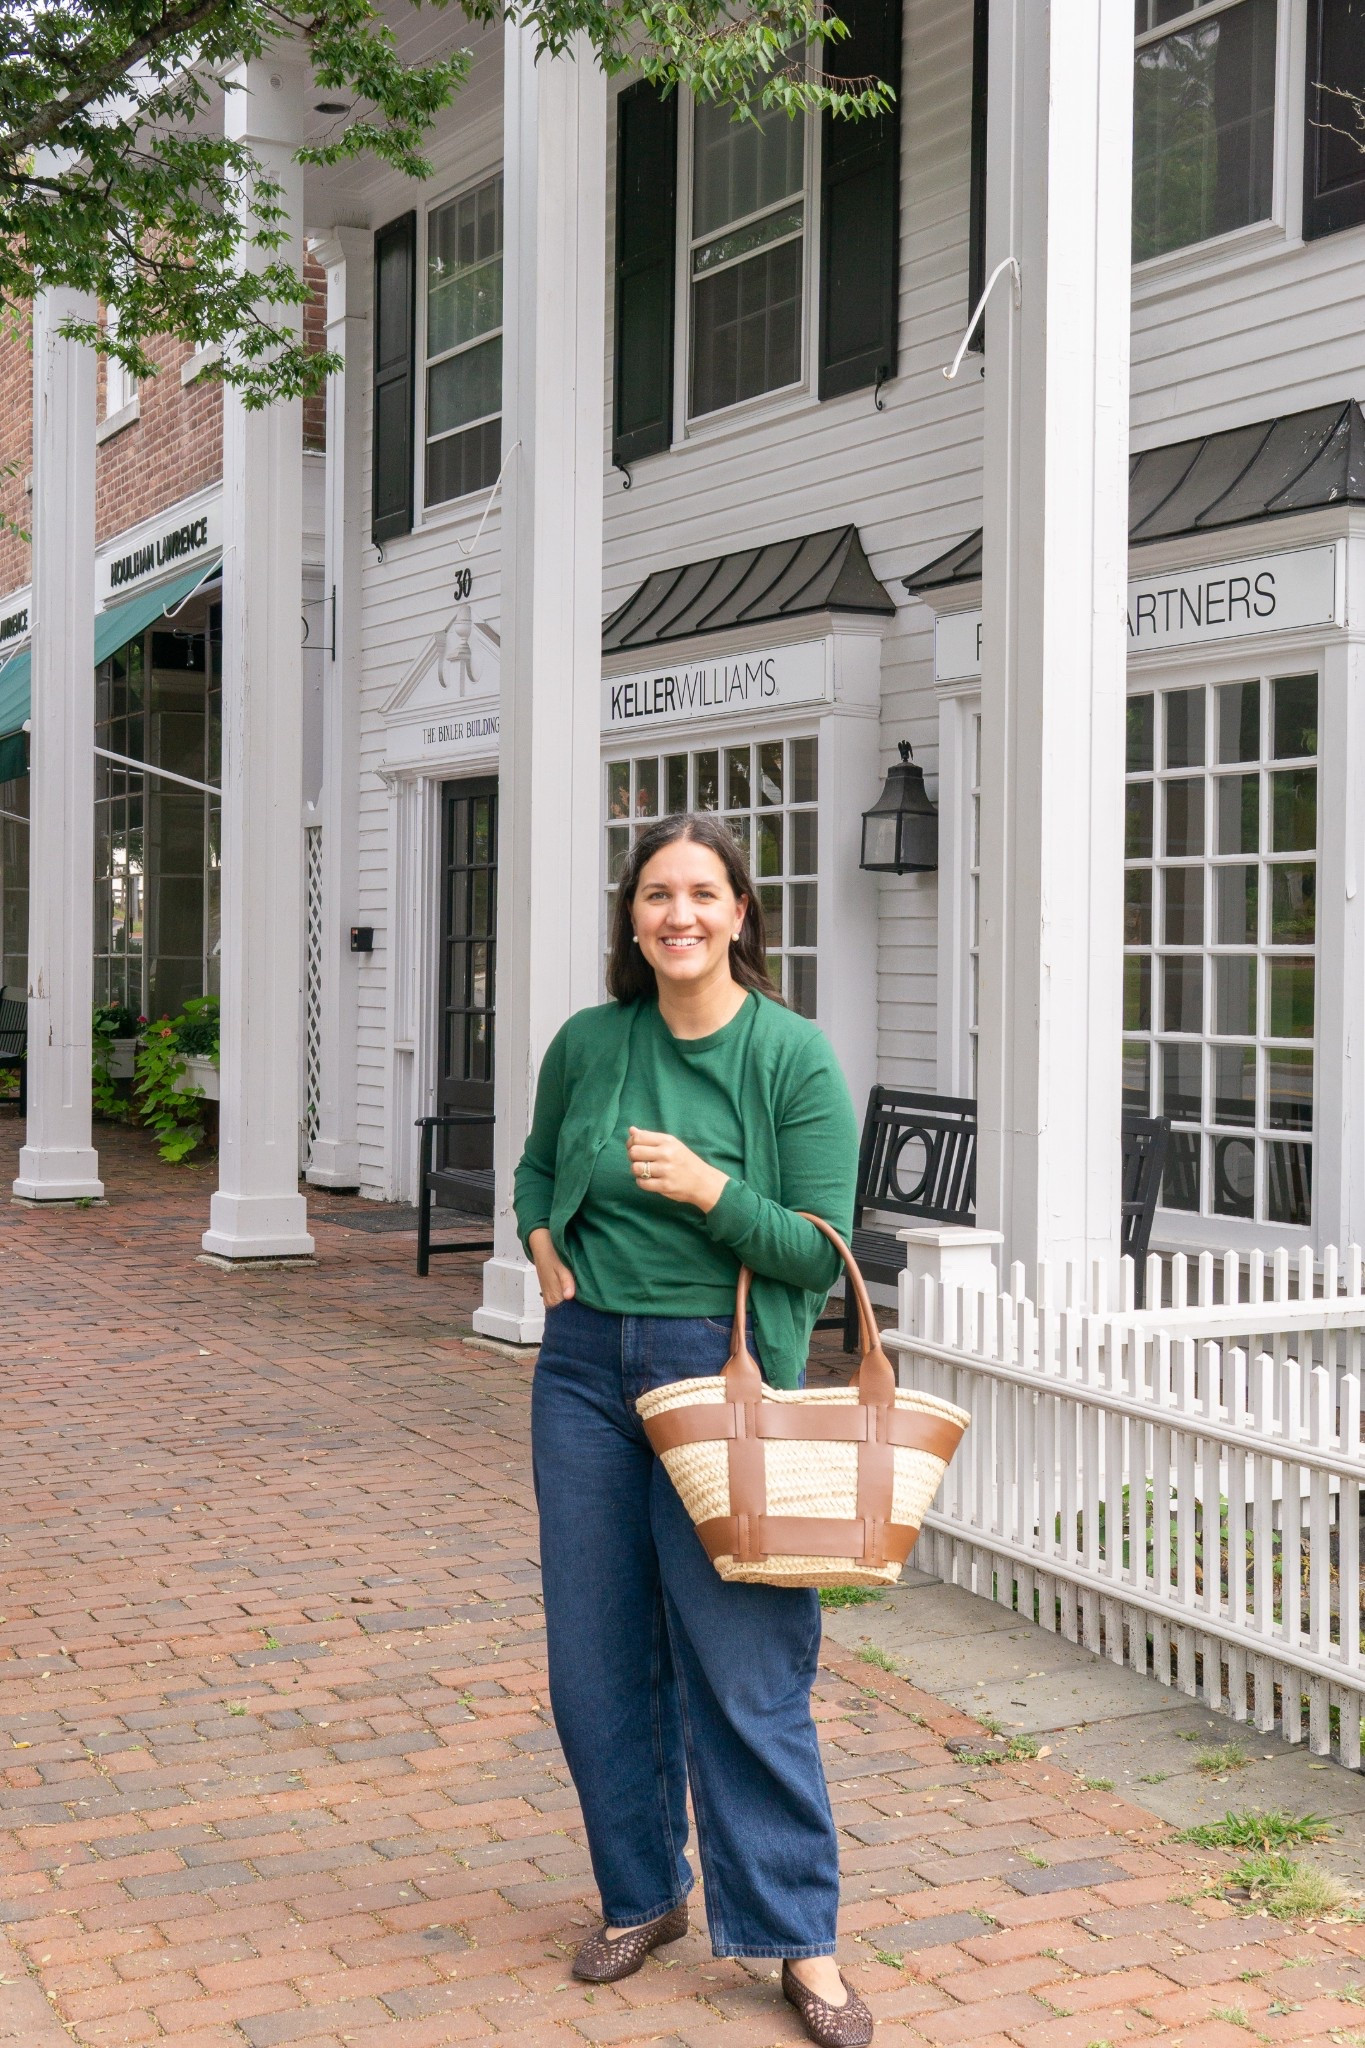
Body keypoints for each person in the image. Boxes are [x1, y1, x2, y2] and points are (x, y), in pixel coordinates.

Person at [514, 811, 872, 2048]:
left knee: (746, 1660)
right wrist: (543, 1241)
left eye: (704, 892)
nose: (680, 912)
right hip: (584, 1369)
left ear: (740, 913)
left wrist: (714, 1191)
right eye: (658, 892)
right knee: (595, 1657)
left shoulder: (790, 1056)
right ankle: (642, 1892)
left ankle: (799, 1940)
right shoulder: (589, 1041)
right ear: (632, 915)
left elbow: (819, 1255)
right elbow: (532, 1166)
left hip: (719, 1376)